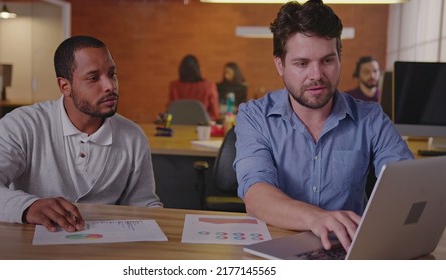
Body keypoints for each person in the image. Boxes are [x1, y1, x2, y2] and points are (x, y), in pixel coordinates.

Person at [233, 0, 413, 252]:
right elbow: (256, 195)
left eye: (327, 60)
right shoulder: (254, 116)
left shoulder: (370, 118)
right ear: (280, 65)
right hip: (274, 248)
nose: (316, 74)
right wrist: (315, 217)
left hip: (348, 251)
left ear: (339, 57)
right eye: (302, 63)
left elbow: (407, 183)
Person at [0, 35, 162, 232]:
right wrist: (28, 206)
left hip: (104, 251)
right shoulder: (24, 124)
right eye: (93, 77)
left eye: (112, 74)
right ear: (65, 86)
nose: (110, 86)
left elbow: (143, 205)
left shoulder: (132, 136)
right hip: (32, 251)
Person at [168, 54, 220, 121]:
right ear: (198, 69)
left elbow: (170, 111)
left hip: (179, 127)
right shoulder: (209, 86)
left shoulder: (174, 86)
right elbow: (215, 114)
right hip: (201, 128)